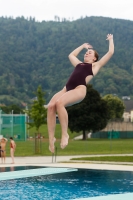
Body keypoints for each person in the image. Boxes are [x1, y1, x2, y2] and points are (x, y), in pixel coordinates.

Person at [47, 34, 114, 153]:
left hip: (79, 89)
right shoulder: (78, 64)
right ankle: (51, 139)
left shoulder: (95, 65)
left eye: (90, 53)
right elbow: (71, 55)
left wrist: (111, 40)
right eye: (86, 52)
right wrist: (83, 46)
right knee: (51, 106)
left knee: (59, 103)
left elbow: (110, 52)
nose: (87, 53)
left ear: (94, 58)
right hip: (66, 89)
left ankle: (64, 134)